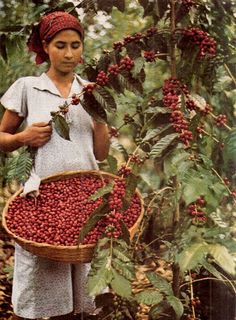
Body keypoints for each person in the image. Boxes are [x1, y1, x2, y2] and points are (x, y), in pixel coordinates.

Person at [0, 10, 110, 320]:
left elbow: (100, 155)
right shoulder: (27, 88)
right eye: (60, 45)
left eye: (76, 45)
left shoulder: (90, 91)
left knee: (85, 291)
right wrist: (24, 136)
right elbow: (2, 137)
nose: (69, 53)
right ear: (46, 46)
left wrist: (100, 119)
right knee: (41, 287)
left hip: (86, 201)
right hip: (42, 198)